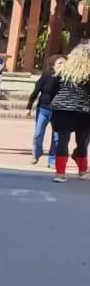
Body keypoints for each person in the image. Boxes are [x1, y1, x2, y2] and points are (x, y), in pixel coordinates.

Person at [50, 43, 90, 182]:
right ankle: (82, 171)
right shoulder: (87, 75)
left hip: (62, 110)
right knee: (82, 141)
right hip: (83, 111)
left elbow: (52, 90)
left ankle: (60, 173)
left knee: (63, 140)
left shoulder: (63, 72)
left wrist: (53, 105)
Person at [29, 53, 65, 168]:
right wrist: (29, 107)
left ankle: (52, 160)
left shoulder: (67, 80)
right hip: (43, 109)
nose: (62, 65)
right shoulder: (46, 77)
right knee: (38, 133)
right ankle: (37, 153)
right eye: (60, 63)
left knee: (56, 137)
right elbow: (36, 91)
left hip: (58, 111)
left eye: (64, 63)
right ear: (53, 65)